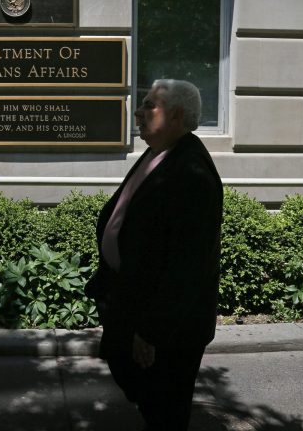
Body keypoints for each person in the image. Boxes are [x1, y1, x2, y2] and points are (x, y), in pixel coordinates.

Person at [86, 79, 223, 430]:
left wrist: (151, 331)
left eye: (149, 106)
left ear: (176, 116)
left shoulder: (192, 172)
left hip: (166, 327)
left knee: (165, 408)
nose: (139, 113)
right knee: (139, 387)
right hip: (131, 302)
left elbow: (188, 266)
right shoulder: (158, 152)